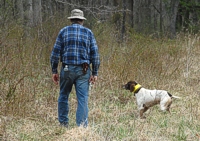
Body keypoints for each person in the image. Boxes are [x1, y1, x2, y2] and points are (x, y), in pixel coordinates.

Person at [50, 9, 100, 128]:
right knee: (82, 99)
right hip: (83, 70)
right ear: (82, 20)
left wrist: (54, 71)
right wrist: (95, 72)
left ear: (71, 19)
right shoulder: (88, 33)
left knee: (63, 96)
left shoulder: (63, 32)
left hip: (66, 69)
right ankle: (81, 128)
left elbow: (55, 54)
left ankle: (63, 124)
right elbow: (95, 55)